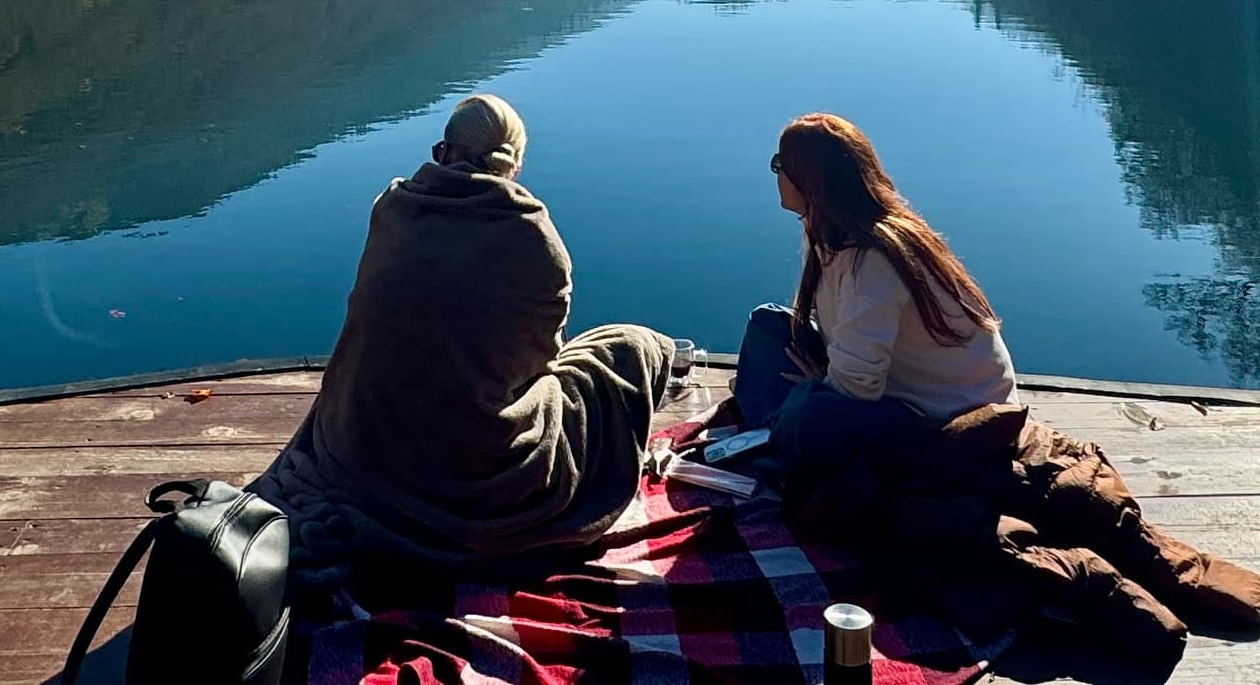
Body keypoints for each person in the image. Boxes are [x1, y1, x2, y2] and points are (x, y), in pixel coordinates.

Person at [252, 94, 673, 567]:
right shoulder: (534, 238)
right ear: (514, 165)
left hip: (361, 448)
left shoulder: (393, 208)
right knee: (632, 348)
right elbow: (538, 367)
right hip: (473, 473)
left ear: (442, 153)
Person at [735, 112, 1017, 481]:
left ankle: (777, 436)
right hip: (892, 390)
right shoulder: (829, 230)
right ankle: (778, 432)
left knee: (808, 414)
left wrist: (816, 385)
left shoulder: (874, 258)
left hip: (948, 419)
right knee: (768, 326)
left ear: (810, 181)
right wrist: (820, 379)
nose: (776, 174)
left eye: (779, 164)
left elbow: (857, 387)